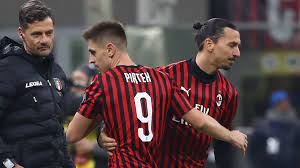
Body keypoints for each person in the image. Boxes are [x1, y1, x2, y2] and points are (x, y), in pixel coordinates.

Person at [66, 20, 247, 168]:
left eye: (238, 46)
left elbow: (221, 146)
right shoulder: (164, 76)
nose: (237, 53)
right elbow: (128, 109)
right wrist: (102, 134)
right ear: (209, 44)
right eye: (232, 45)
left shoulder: (229, 93)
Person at [0, 0, 74, 168]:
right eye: (37, 34)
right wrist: (9, 164)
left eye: (49, 33)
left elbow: (58, 130)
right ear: (21, 33)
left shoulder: (56, 71)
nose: (44, 40)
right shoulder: (6, 70)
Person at [248, 90, 300, 168]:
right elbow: (254, 151)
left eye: (286, 102)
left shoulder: (295, 126)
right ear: (274, 105)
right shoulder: (263, 127)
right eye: (280, 103)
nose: (284, 105)